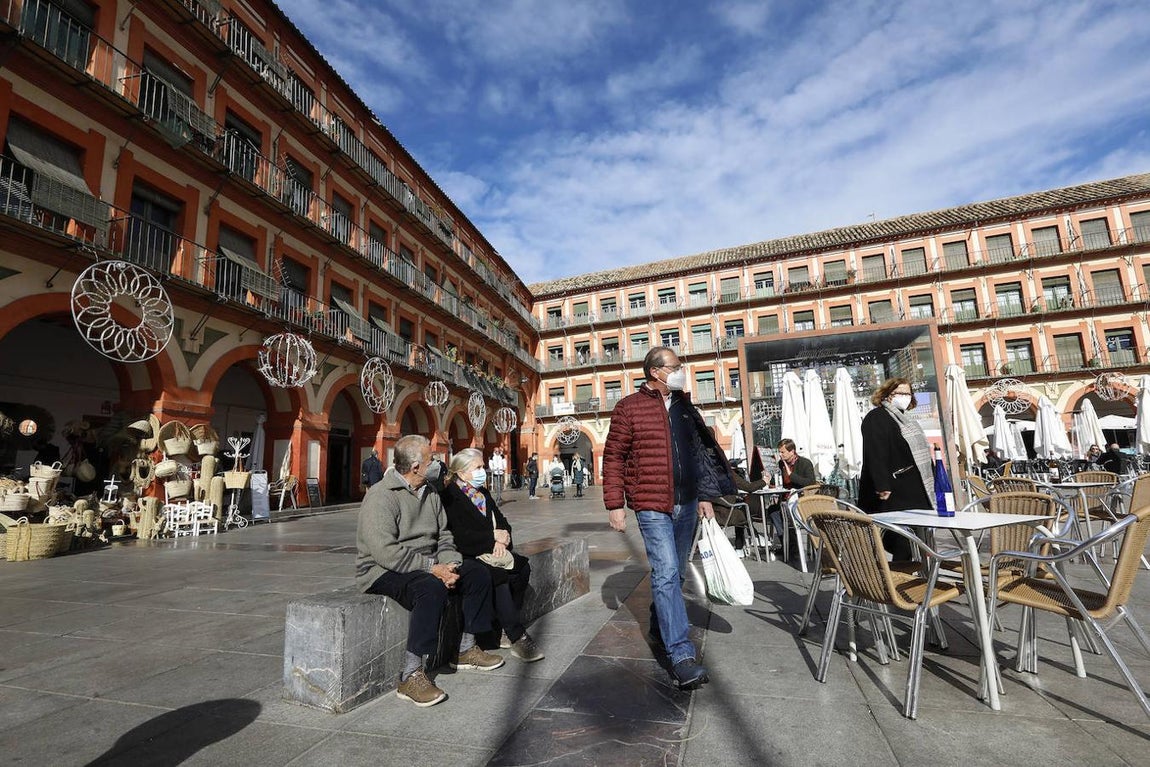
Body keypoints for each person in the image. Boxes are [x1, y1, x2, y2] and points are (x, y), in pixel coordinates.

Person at [603, 346, 735, 690]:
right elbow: (613, 457)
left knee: (674, 575)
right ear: (655, 372)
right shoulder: (628, 408)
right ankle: (681, 656)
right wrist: (614, 504)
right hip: (651, 504)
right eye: (675, 367)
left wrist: (706, 496)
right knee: (664, 574)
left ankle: (660, 627)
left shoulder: (684, 407)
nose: (681, 371)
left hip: (688, 503)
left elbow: (698, 455)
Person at [356, 435, 504, 708]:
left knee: (477, 573)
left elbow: (445, 535)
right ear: (414, 467)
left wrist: (451, 564)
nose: (437, 463)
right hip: (382, 569)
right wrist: (432, 569)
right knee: (429, 588)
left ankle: (465, 648)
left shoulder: (430, 492)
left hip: (427, 562)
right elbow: (385, 552)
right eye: (431, 459)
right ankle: (411, 673)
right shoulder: (381, 497)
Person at [439, 448, 544, 662]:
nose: (483, 471)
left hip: (492, 550)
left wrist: (503, 539)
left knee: (522, 567)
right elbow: (458, 535)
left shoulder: (483, 494)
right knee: (497, 576)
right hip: (467, 554)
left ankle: (503, 628)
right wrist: (490, 539)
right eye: (477, 467)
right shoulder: (450, 497)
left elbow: (502, 522)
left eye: (482, 466)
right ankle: (517, 635)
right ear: (461, 473)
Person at [857, 378, 934, 560]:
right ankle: (902, 583)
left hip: (915, 490)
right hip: (894, 492)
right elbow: (875, 452)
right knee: (902, 543)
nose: (905, 397)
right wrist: (882, 484)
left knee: (921, 542)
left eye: (908, 393)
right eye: (899, 393)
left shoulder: (906, 420)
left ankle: (922, 578)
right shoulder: (876, 417)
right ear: (887, 395)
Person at [766, 438, 817, 548]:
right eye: (779, 452)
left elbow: (810, 483)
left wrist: (791, 475)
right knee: (772, 510)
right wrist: (770, 479)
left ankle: (792, 545)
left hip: (801, 501)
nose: (780, 454)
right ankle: (789, 545)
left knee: (782, 511)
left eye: (782, 452)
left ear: (792, 451)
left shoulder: (805, 463)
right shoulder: (781, 464)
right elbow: (778, 481)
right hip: (785, 500)